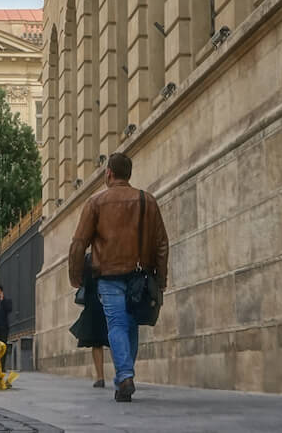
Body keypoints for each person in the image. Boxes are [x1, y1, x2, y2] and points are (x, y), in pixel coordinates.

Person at [69, 152, 169, 403]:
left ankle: (125, 375)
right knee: (131, 324)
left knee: (116, 323)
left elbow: (79, 243)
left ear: (109, 174)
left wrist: (76, 274)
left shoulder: (95, 203)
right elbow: (162, 244)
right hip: (140, 275)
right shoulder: (147, 201)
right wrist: (161, 279)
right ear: (129, 174)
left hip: (109, 275)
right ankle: (125, 375)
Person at [69, 252, 110, 388]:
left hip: (93, 303)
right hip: (109, 300)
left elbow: (81, 281)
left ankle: (100, 377)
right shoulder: (109, 255)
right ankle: (122, 375)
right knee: (115, 338)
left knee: (96, 342)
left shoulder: (87, 258)